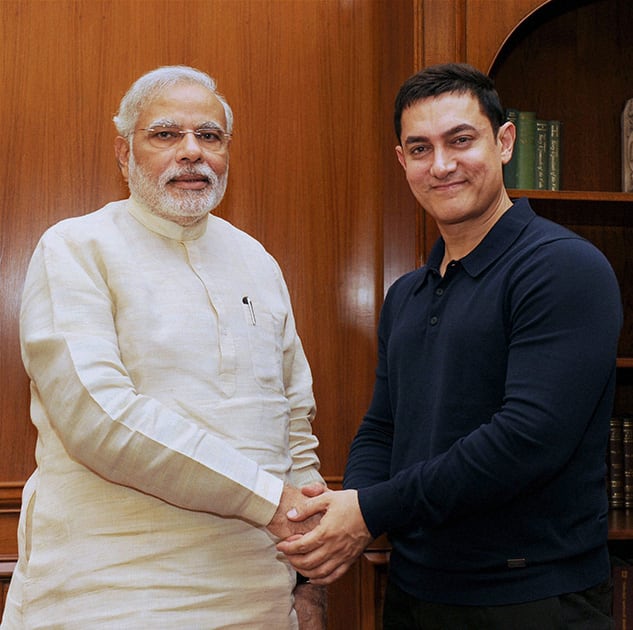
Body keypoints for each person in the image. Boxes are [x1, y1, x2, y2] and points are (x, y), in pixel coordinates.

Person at [277, 63, 622, 629]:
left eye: (460, 140)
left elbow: (526, 440)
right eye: (420, 148)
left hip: (530, 599)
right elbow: (384, 427)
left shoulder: (563, 268)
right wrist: (345, 514)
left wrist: (367, 512)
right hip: (415, 592)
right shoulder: (407, 294)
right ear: (402, 161)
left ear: (504, 141)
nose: (441, 165)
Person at [1, 65, 326, 629]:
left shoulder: (258, 261)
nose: (192, 152)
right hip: (114, 593)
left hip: (259, 593)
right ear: (125, 155)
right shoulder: (75, 248)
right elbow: (99, 419)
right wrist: (270, 501)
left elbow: (294, 419)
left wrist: (306, 579)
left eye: (210, 136)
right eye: (166, 134)